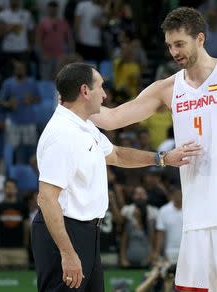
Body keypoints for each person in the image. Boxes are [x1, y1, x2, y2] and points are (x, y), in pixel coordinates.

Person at [91, 7, 217, 290]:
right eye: (169, 46)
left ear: (201, 39)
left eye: (180, 44)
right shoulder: (167, 88)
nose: (174, 52)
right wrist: (75, 103)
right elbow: (113, 118)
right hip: (194, 217)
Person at [32, 62, 201, 292]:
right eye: (100, 87)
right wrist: (67, 253)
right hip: (65, 234)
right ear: (84, 91)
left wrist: (163, 158)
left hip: (88, 233)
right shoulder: (61, 134)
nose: (104, 94)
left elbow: (117, 155)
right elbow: (47, 198)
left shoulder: (85, 126)